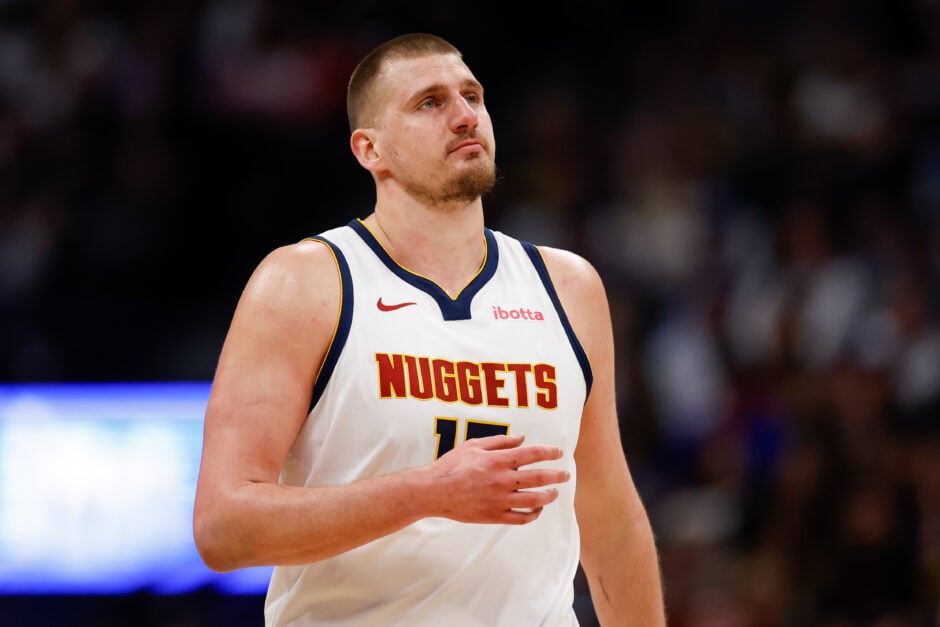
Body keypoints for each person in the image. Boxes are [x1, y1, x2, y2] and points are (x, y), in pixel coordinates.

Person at [193, 32, 666, 626]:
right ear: (370, 149)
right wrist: (428, 492)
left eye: (473, 96)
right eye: (430, 103)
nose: (465, 116)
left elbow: (609, 519)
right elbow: (224, 527)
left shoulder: (568, 286)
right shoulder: (304, 284)